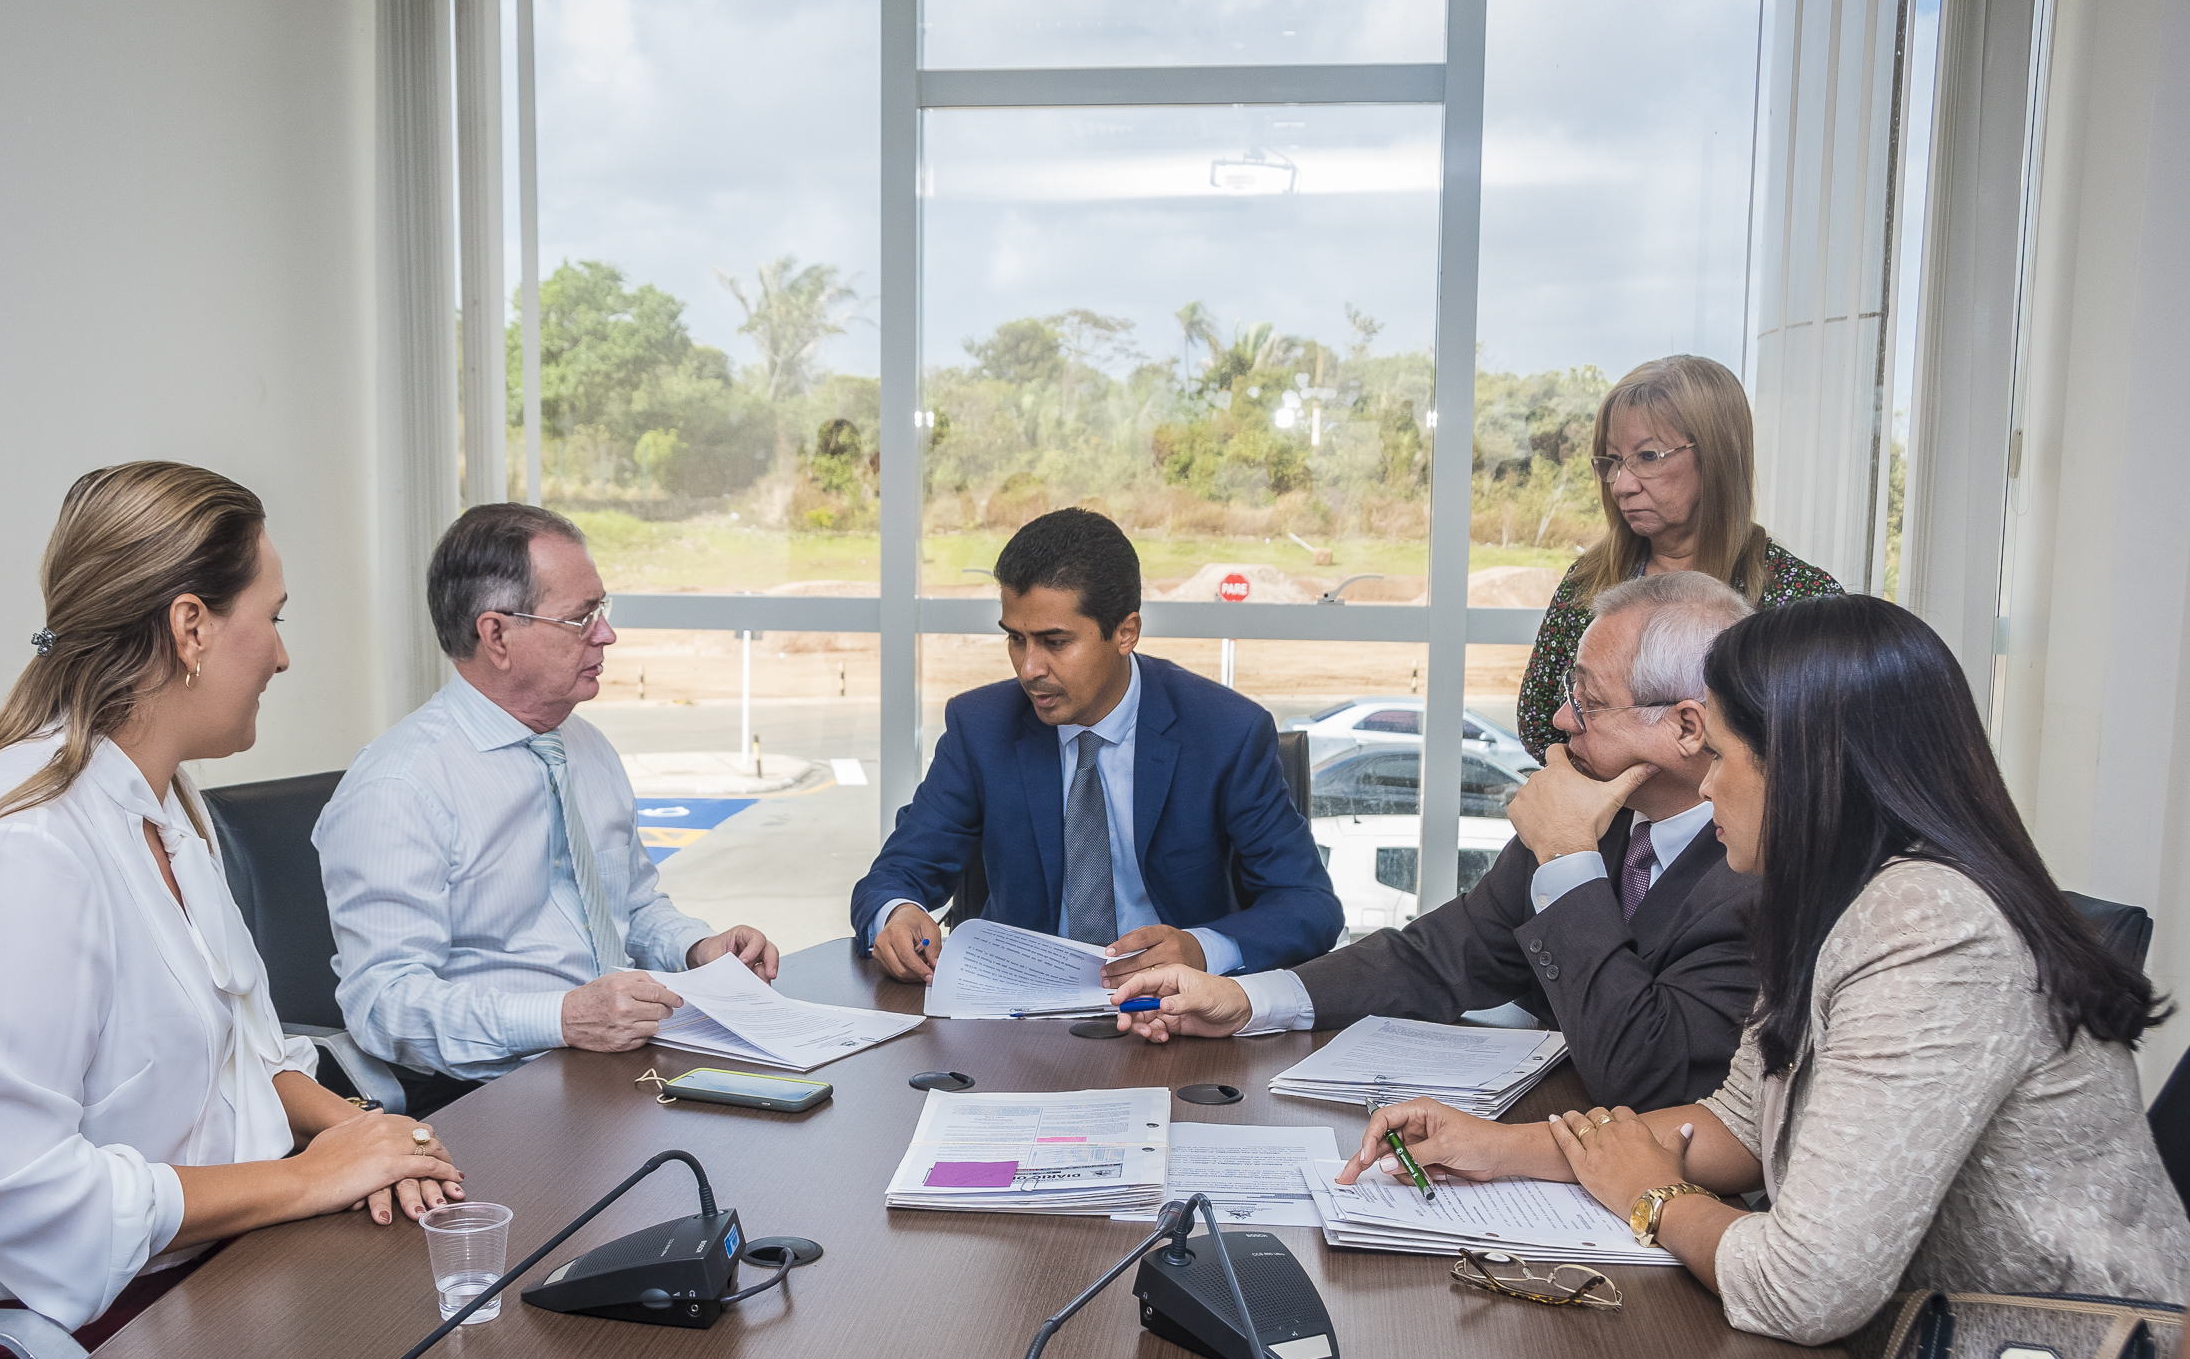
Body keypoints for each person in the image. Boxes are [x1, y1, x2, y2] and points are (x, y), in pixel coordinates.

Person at [0, 462, 460, 1359]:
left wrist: (367, 1138)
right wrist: (316, 1177)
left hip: (179, 1290)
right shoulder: (18, 851)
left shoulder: (163, 804)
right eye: (270, 617)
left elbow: (250, 1049)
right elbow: (29, 1203)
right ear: (189, 626)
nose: (282, 651)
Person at [1340, 595, 2190, 1348]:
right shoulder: (1833, 899)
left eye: (1722, 758)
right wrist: (1499, 1148)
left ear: (1808, 771)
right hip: (1919, 1357)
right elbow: (1742, 1126)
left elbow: (1802, 1287)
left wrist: (1655, 1203)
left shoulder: (1932, 928)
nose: (1704, 789)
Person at [1113, 572, 1759, 1111]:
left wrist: (1568, 856)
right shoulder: (1604, 810)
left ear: (1685, 727)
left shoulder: (1757, 868)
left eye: (1587, 701)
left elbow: (1646, 1073)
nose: (1562, 721)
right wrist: (1248, 998)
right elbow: (1434, 956)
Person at [316, 504, 776, 1112]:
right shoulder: (401, 787)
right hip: (492, 1094)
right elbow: (387, 1005)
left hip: (623, 1068)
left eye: (602, 611)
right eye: (581, 619)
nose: (606, 636)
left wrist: (698, 949)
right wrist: (561, 1018)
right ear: (497, 636)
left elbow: (632, 909)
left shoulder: (584, 746)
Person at [851, 507, 1341, 983]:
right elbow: (894, 875)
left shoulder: (1225, 732)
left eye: (1055, 642)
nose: (1029, 669)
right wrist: (897, 913)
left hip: (1177, 1015)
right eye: (1016, 639)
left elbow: (1308, 904)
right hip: (1019, 1017)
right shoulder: (980, 727)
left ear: (1125, 632)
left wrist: (1201, 948)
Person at [1516, 354, 1842, 764]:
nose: (1622, 485)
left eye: (1648, 457)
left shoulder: (1802, 599)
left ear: (1717, 457)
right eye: (1612, 462)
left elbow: (1820, 752)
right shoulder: (1589, 580)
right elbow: (1537, 720)